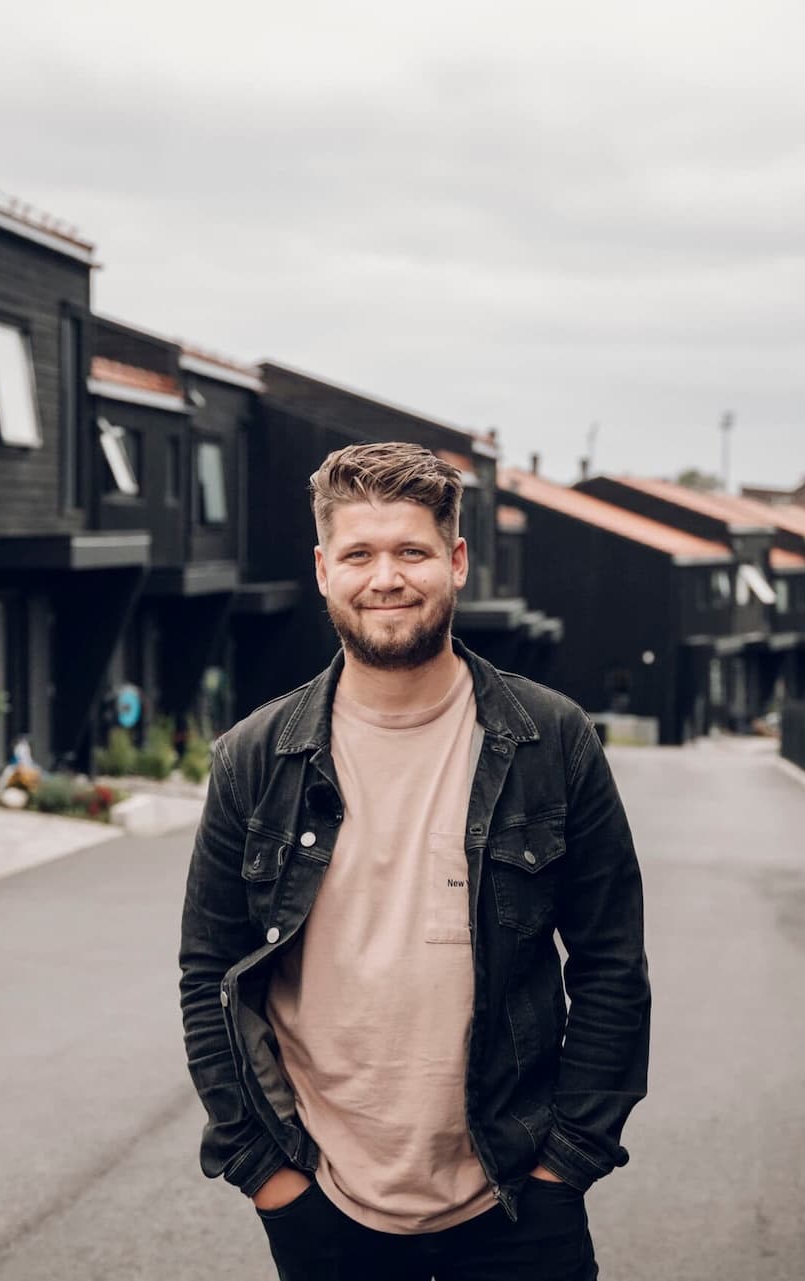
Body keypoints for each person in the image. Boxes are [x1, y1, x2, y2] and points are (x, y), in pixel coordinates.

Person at [178, 442, 650, 1280]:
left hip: (516, 1198)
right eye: (359, 553)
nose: (385, 577)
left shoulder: (553, 740)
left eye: (411, 551)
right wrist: (269, 1175)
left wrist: (565, 1164)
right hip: (325, 1204)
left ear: (456, 561)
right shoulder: (253, 759)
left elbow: (613, 963)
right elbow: (209, 973)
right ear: (324, 569)